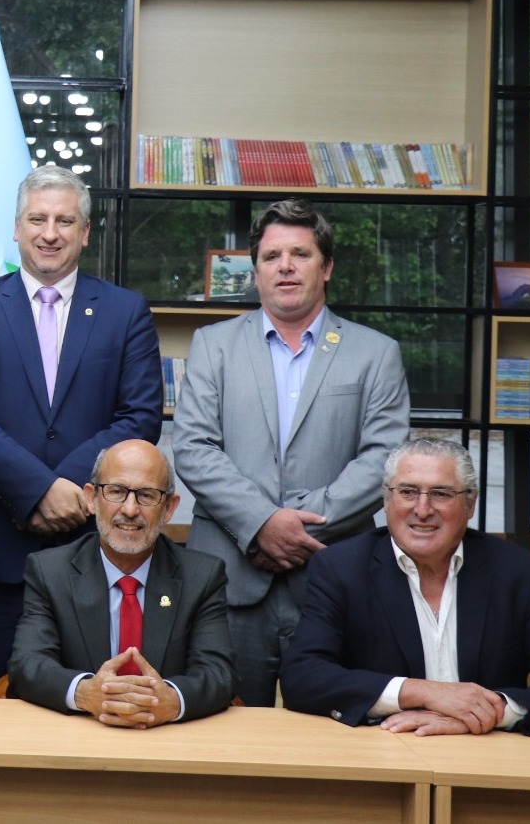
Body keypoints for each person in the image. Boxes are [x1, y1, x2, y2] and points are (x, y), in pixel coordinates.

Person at [173, 198, 409, 706]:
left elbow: (385, 459)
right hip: (229, 579)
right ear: (255, 271)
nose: (284, 266)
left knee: (337, 734)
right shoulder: (213, 345)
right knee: (223, 732)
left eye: (300, 254)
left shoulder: (375, 352)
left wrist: (299, 527)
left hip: (334, 575)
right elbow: (193, 448)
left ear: (326, 268)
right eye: (271, 255)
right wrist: (261, 521)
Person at [0, 165, 164, 696]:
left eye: (65, 221)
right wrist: (39, 490)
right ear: (16, 228)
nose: (50, 233)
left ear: (85, 233)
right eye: (37, 219)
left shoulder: (125, 311)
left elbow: (140, 417)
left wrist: (70, 490)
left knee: (90, 703)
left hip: (93, 555)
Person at [281, 438, 530, 734]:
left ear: (470, 505)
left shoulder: (520, 574)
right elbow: (303, 677)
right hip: (382, 751)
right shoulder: (341, 568)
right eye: (407, 491)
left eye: (441, 494)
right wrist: (422, 692)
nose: (422, 510)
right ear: (386, 499)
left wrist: (485, 712)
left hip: (486, 755)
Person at [9, 440, 237, 726]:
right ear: (92, 498)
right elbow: (28, 664)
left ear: (168, 508)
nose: (130, 510)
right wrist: (85, 692)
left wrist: (172, 700)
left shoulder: (202, 576)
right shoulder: (49, 571)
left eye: (146, 495)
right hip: (78, 736)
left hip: (168, 741)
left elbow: (218, 673)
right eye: (116, 492)